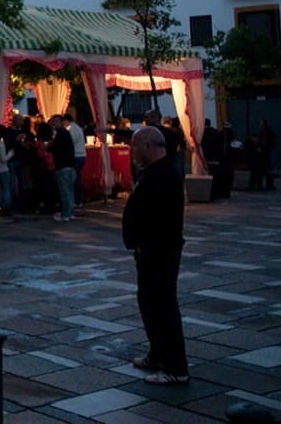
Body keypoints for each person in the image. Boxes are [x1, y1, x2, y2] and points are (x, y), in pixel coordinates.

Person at [122, 125, 189, 385]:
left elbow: (160, 218)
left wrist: (146, 243)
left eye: (134, 147)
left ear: (148, 146)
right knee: (149, 304)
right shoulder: (154, 171)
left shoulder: (164, 174)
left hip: (160, 251)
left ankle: (176, 367)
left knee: (163, 307)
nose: (132, 152)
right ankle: (158, 353)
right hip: (149, 250)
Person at [48, 115, 77, 222]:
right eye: (53, 121)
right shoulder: (66, 133)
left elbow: (57, 149)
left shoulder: (60, 134)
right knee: (69, 191)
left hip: (63, 166)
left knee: (65, 191)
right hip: (70, 165)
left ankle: (65, 214)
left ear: (61, 122)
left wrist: (50, 146)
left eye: (56, 121)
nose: (54, 123)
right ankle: (69, 212)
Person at [201, 119, 228, 200]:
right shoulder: (215, 131)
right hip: (216, 157)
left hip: (207, 157)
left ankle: (209, 192)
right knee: (215, 175)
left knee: (208, 175)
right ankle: (216, 192)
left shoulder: (202, 132)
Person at [64, 114, 87, 207]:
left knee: (74, 179)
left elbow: (71, 142)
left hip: (76, 155)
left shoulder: (71, 129)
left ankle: (77, 200)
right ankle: (79, 199)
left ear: (66, 120)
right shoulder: (78, 128)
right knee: (77, 178)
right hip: (82, 155)